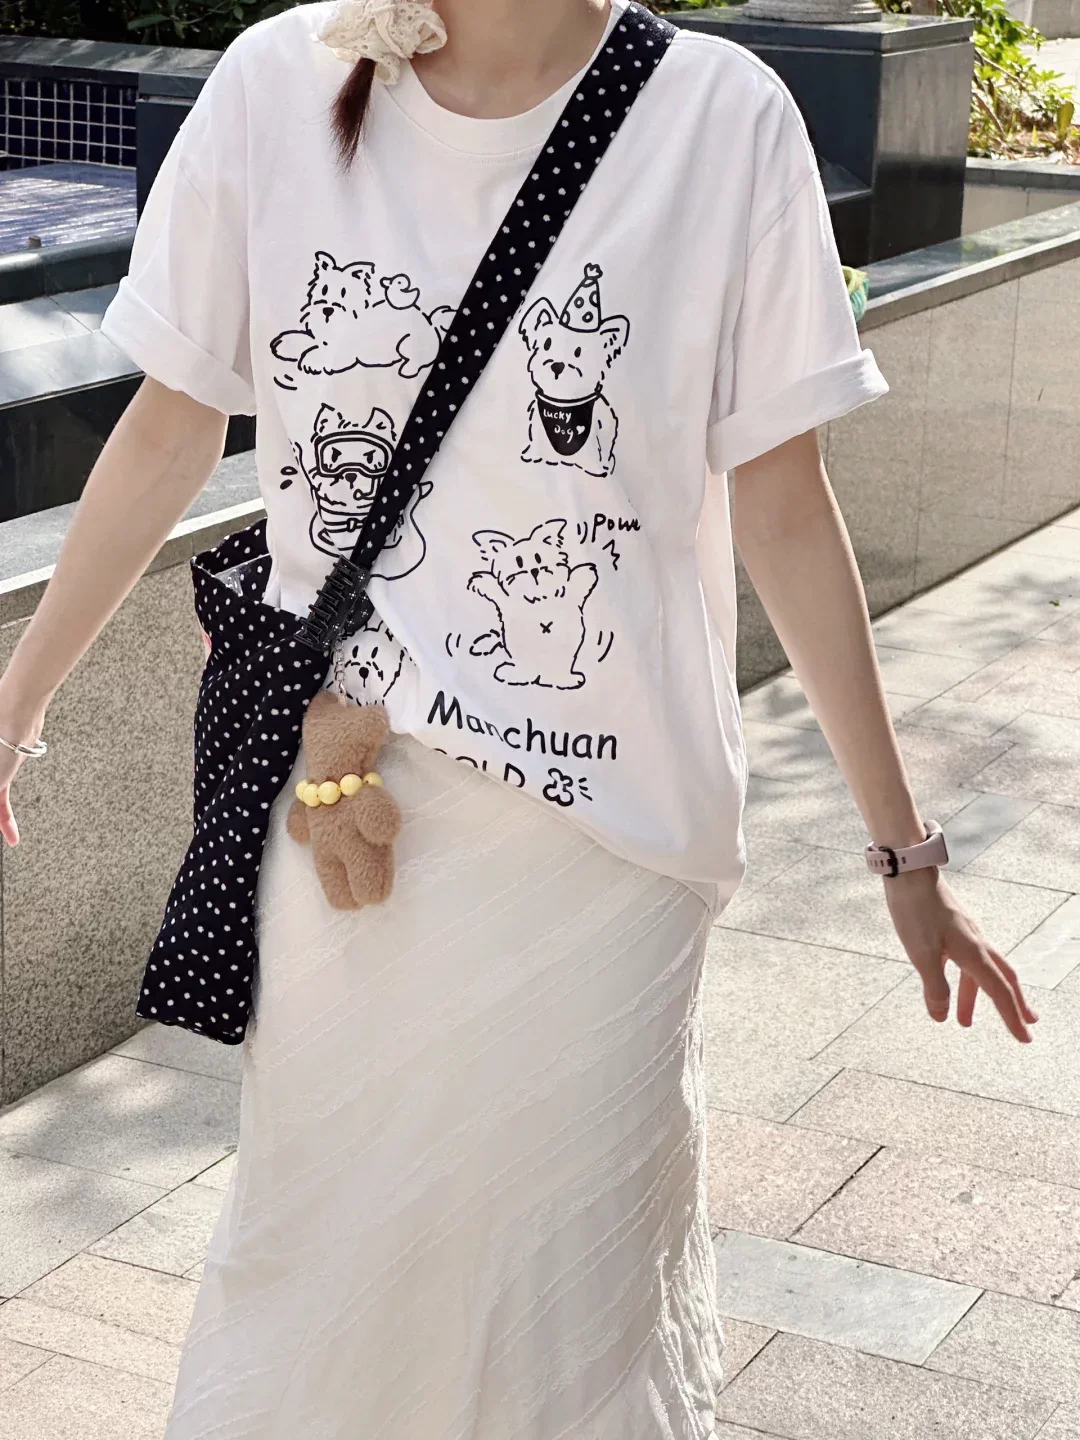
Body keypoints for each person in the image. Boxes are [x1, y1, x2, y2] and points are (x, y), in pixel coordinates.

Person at [0, 0, 1037, 1435]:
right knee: (331, 1263)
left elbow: (785, 504)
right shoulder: (279, 84)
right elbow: (171, 427)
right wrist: (15, 706)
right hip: (353, 830)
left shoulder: (722, 117)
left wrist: (903, 852)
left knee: (569, 1298)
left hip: (612, 850)